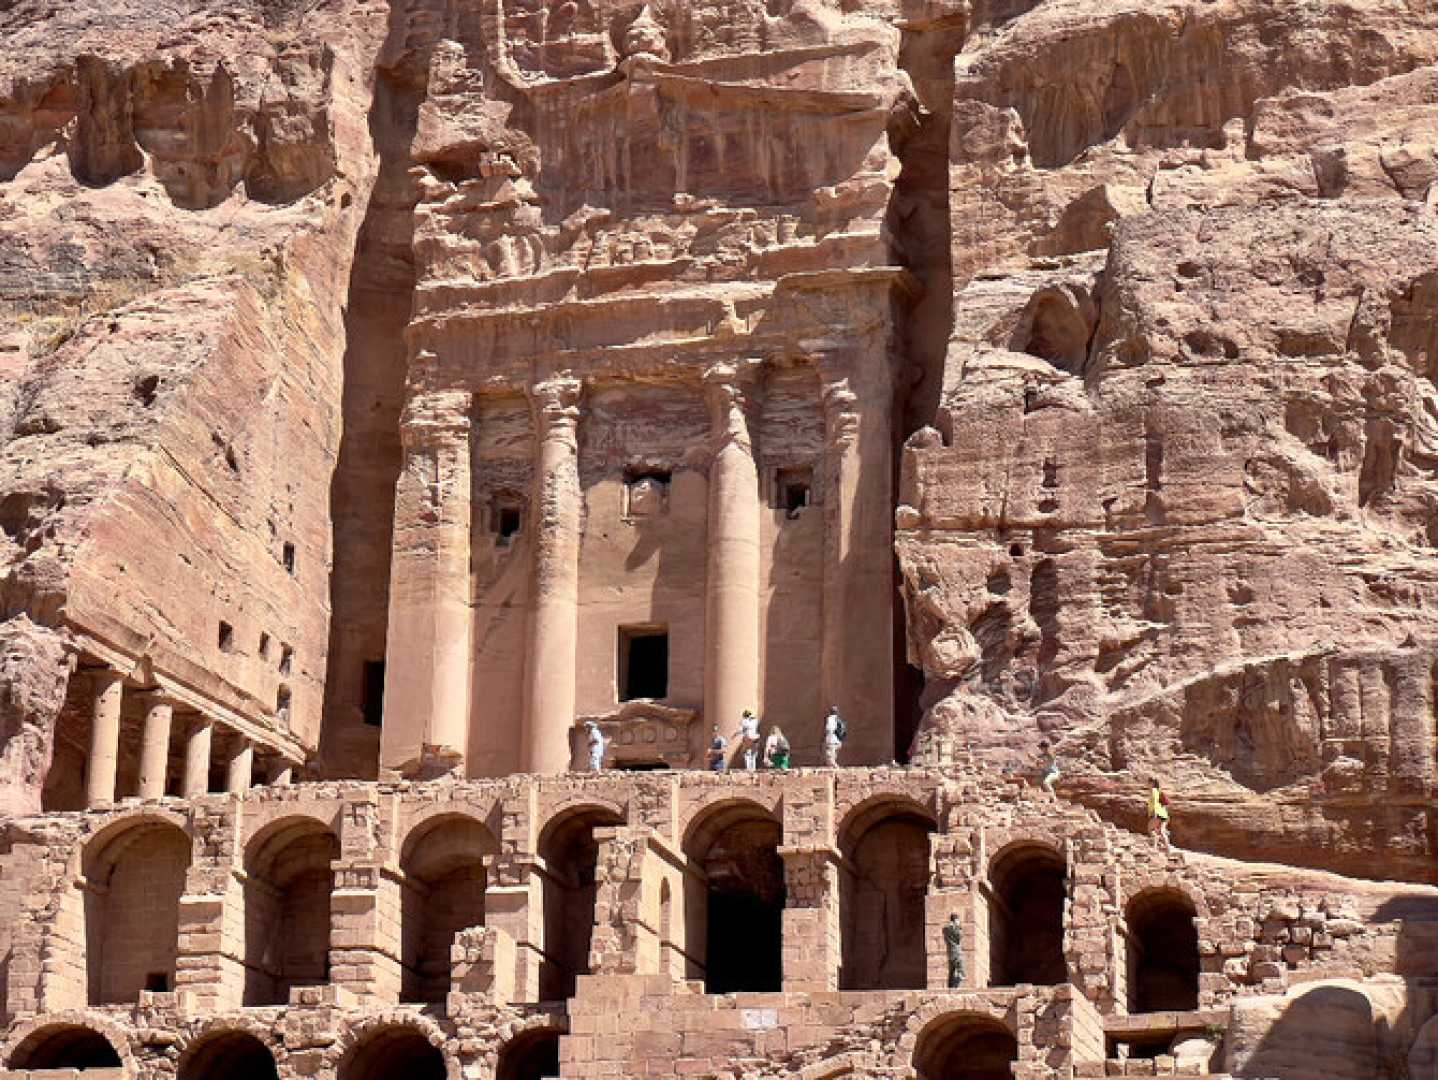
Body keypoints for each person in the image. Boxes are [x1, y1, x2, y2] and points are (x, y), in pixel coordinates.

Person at [1148, 777, 1172, 851]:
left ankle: (1154, 848)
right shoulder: (1159, 791)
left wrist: (1154, 812)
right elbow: (1166, 804)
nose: (1147, 784)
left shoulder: (1154, 791)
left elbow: (1154, 802)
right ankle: (1168, 849)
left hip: (1157, 813)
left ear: (1152, 783)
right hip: (1164, 814)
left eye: (1148, 783)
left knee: (1151, 830)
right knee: (1162, 831)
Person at [943, 912, 965, 988]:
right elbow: (959, 938)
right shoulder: (955, 928)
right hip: (956, 952)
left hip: (950, 952)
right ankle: (956, 986)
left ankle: (950, 987)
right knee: (961, 971)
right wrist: (958, 927)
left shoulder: (945, 928)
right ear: (955, 920)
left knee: (951, 971)